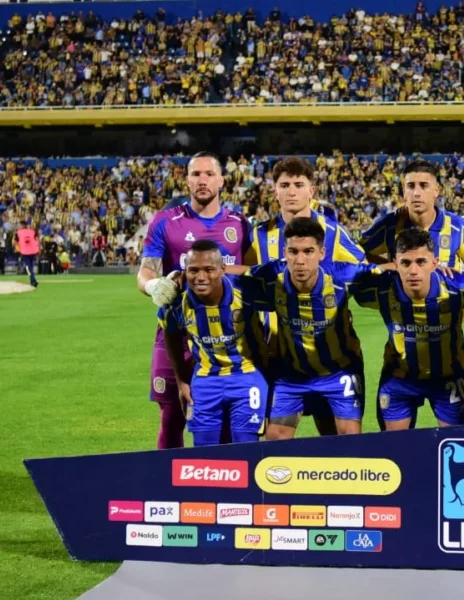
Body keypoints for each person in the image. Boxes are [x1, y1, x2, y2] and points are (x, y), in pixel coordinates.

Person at [137, 151, 254, 450]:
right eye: (196, 174)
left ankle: (227, 486)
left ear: (222, 180)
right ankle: (169, 487)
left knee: (229, 419)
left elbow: (252, 273)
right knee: (171, 417)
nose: (202, 180)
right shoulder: (165, 221)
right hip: (175, 333)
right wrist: (154, 286)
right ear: (187, 180)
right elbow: (146, 271)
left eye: (209, 174)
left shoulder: (240, 224)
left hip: (225, 338)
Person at [249, 156, 366, 437]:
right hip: (278, 352)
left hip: (328, 350)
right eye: (284, 185)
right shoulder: (259, 235)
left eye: (299, 184)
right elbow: (247, 283)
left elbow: (359, 269)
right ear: (274, 190)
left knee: (331, 436)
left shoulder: (332, 232)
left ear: (311, 190)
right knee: (272, 436)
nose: (291, 191)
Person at [239, 217, 378, 439]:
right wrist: (182, 276)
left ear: (322, 253)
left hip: (338, 373)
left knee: (348, 443)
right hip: (291, 375)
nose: (300, 260)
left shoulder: (343, 276)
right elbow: (228, 275)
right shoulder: (270, 276)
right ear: (285, 252)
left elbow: (388, 272)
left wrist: (434, 270)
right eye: (293, 252)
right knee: (274, 440)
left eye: (308, 251)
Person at [350, 227, 464, 430]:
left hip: (448, 379)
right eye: (406, 263)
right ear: (395, 263)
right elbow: (342, 280)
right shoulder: (380, 288)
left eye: (421, 262)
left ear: (435, 263)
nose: (413, 271)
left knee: (451, 448)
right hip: (399, 379)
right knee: (394, 450)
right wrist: (378, 268)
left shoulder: (456, 286)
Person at [159, 241, 268, 447]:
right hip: (204, 381)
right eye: (193, 270)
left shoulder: (245, 292)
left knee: (245, 448)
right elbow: (170, 334)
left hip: (247, 378)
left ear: (222, 270)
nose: (200, 277)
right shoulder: (176, 303)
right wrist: (182, 381)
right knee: (203, 454)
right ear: (185, 272)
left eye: (209, 270)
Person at [360, 158, 464, 269]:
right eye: (411, 186)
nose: (416, 193)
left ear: (436, 190)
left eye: (424, 185)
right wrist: (390, 267)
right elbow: (357, 253)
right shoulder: (389, 225)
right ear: (404, 192)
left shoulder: (457, 227)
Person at [15, 220, 39, 288]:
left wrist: (19, 248)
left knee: (28, 267)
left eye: (19, 225)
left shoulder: (18, 233)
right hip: (33, 251)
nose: (18, 226)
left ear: (22, 225)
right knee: (30, 266)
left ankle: (32, 279)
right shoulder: (32, 231)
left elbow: (15, 242)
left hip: (25, 252)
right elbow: (36, 240)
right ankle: (32, 279)